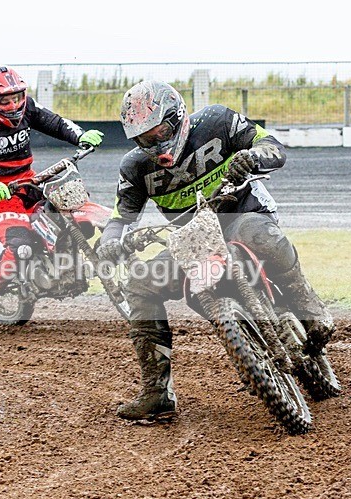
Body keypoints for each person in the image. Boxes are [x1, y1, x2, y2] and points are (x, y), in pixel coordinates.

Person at [97, 80, 334, 421]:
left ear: (178, 117)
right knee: (138, 283)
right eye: (145, 139)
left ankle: (311, 310)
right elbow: (120, 219)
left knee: (261, 236)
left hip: (243, 213)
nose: (156, 142)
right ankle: (156, 392)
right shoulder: (135, 167)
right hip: (192, 237)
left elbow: (272, 145)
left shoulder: (217, 121)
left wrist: (253, 157)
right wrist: (111, 245)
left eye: (161, 130)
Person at [0, 65, 104, 324]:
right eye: (5, 99)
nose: (13, 104)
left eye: (17, 97)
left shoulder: (28, 108)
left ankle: (64, 269)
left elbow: (56, 123)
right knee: (21, 245)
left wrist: (80, 135)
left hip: (29, 183)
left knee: (78, 218)